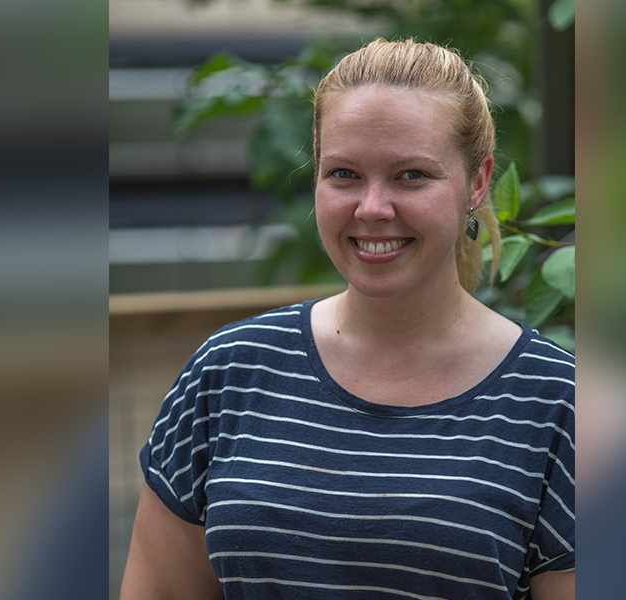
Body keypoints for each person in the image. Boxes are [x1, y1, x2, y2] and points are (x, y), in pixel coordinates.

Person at [120, 38, 574, 600]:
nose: (373, 208)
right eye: (344, 174)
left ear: (477, 184)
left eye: (411, 175)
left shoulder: (559, 402)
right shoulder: (229, 371)